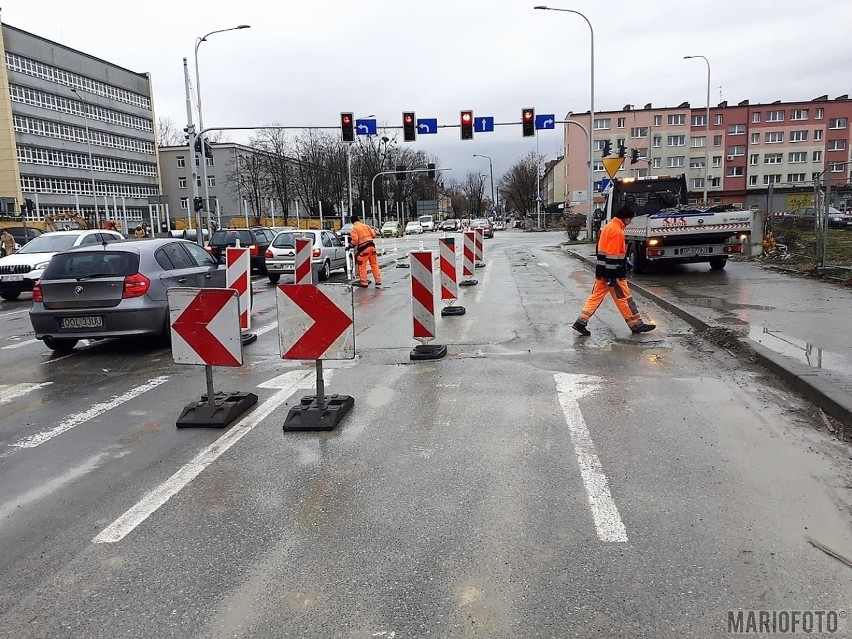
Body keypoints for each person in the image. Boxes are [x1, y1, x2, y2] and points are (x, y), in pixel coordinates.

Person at [572, 204, 656, 336]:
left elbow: (603, 252)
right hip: (614, 274)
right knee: (625, 299)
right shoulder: (617, 231)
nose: (630, 222)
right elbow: (612, 255)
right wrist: (612, 276)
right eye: (630, 219)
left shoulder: (608, 227)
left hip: (602, 271)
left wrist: (623, 261)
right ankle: (636, 325)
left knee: (595, 297)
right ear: (626, 218)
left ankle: (581, 322)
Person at [349, 214, 381, 288]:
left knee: (362, 266)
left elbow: (355, 241)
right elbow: (373, 235)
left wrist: (351, 245)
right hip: (372, 247)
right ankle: (378, 281)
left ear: (352, 222)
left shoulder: (354, 228)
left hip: (364, 249)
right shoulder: (366, 226)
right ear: (358, 220)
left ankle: (364, 282)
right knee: (374, 264)